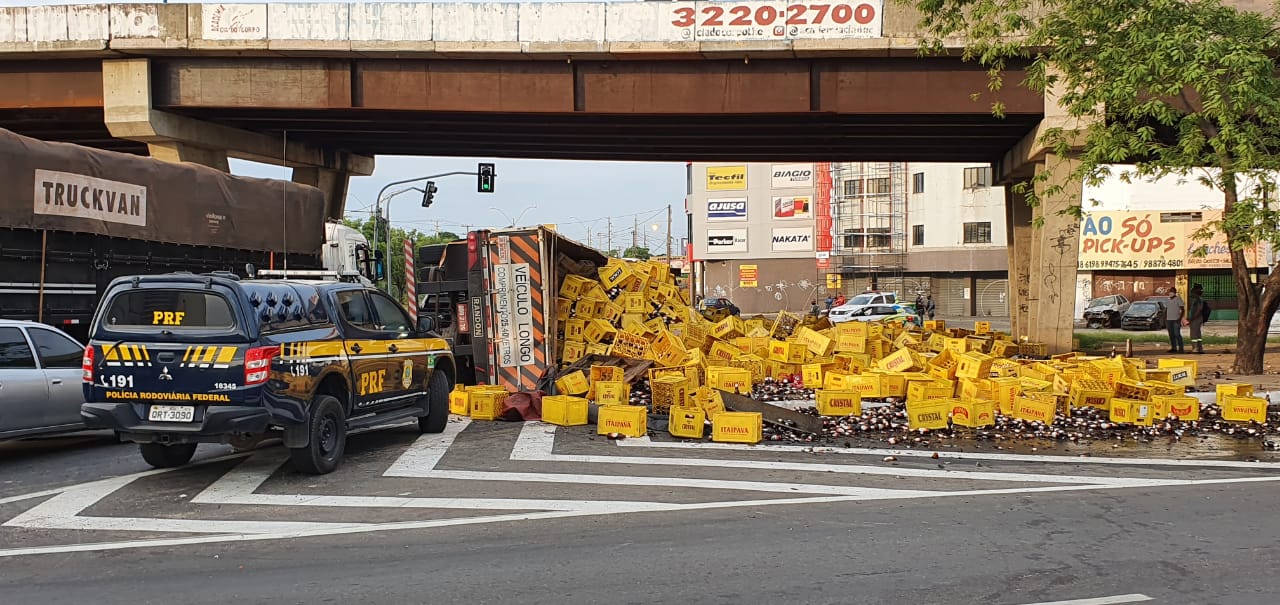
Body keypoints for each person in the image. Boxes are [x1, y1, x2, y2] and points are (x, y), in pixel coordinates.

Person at [1187, 284, 1206, 354]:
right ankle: (1200, 348)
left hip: (1196, 319)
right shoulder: (1198, 299)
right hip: (1197, 318)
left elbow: (1199, 310)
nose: (1191, 293)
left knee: (1194, 334)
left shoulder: (1198, 300)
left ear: (1195, 292)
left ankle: (1195, 348)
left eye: (1192, 291)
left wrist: (1192, 318)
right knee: (1198, 334)